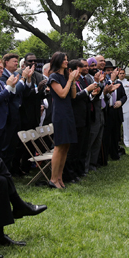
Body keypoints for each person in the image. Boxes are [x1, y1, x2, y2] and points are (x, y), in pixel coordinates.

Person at [47, 52, 79, 188]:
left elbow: (72, 95)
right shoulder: (53, 77)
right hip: (60, 114)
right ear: (58, 61)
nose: (67, 62)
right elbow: (61, 94)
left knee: (66, 146)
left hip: (68, 112)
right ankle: (53, 179)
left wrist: (72, 81)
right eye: (65, 60)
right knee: (59, 146)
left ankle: (60, 177)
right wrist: (70, 80)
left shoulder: (65, 76)